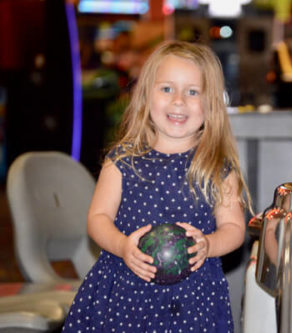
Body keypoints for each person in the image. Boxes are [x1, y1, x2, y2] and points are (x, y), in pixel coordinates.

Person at [63, 40, 251, 332]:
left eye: (192, 92)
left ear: (210, 103)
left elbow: (235, 229)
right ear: (145, 96)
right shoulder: (122, 162)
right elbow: (97, 219)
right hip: (125, 293)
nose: (178, 101)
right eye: (167, 89)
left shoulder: (217, 168)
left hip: (193, 299)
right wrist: (123, 246)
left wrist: (209, 244)